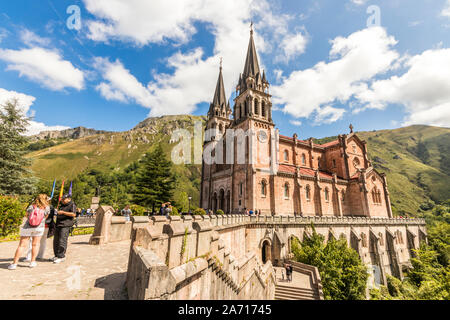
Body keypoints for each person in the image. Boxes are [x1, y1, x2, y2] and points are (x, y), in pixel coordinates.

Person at [8, 194, 51, 269]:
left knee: (21, 245)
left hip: (28, 227)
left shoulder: (32, 206)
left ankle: (14, 264)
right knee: (35, 244)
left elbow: (27, 215)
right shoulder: (46, 208)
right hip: (39, 228)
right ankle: (32, 262)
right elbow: (45, 217)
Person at [52, 194, 77, 264]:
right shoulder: (62, 205)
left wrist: (63, 212)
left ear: (68, 199)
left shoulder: (72, 204)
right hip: (58, 224)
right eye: (62, 199)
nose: (62, 200)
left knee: (62, 240)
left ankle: (61, 256)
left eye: (63, 199)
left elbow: (73, 214)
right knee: (56, 240)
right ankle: (56, 255)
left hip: (65, 225)